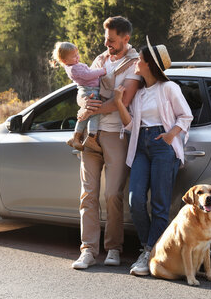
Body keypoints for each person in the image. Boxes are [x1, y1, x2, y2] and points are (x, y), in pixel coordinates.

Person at [113, 36, 193, 276]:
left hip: (161, 145)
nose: (137, 61)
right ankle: (152, 247)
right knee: (135, 200)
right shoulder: (138, 94)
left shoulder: (169, 88)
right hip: (140, 146)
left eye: (141, 59)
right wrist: (118, 102)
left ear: (150, 64)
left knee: (159, 204)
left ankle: (148, 252)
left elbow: (185, 115)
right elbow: (129, 127)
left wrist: (171, 136)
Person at [71, 16, 142, 269]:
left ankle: (113, 248)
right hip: (92, 134)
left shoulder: (135, 64)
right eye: (105, 39)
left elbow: (126, 100)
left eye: (111, 40)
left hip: (116, 136)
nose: (107, 44)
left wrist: (93, 109)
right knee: (87, 195)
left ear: (126, 38)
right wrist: (84, 104)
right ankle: (88, 250)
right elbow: (82, 88)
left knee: (113, 195)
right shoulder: (100, 60)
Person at [51, 41, 106, 152]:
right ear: (64, 60)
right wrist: (102, 71)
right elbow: (88, 75)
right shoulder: (74, 68)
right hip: (91, 91)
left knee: (85, 115)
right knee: (95, 113)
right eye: (74, 56)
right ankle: (91, 137)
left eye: (77, 54)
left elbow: (87, 72)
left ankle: (76, 137)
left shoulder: (72, 66)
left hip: (87, 90)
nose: (77, 57)